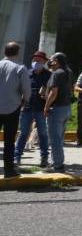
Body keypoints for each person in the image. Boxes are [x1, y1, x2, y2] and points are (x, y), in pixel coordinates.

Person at [14, 51, 50, 168]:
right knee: (23, 133)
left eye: (38, 61)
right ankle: (17, 157)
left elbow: (53, 91)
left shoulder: (49, 75)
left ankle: (44, 158)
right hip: (27, 108)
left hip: (41, 109)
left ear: (44, 62)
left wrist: (46, 96)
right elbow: (20, 89)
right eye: (34, 60)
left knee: (43, 134)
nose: (35, 62)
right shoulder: (27, 73)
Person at [0, 42, 31, 178]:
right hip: (12, 108)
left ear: (5, 51)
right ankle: (9, 170)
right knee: (9, 141)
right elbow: (27, 90)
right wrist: (24, 101)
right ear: (17, 52)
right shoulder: (20, 68)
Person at [43, 52, 73, 173]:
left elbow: (53, 92)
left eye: (52, 59)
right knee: (59, 138)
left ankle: (58, 166)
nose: (50, 61)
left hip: (56, 109)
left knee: (54, 139)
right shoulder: (68, 72)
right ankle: (55, 161)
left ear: (57, 61)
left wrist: (46, 106)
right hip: (66, 108)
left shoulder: (57, 73)